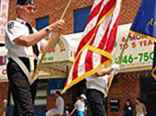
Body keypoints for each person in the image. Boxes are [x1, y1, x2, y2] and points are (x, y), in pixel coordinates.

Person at [5, 0, 65, 115]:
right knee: (27, 109)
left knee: (23, 107)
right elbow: (26, 41)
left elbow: (47, 48)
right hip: (19, 67)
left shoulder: (34, 30)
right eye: (29, 8)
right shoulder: (13, 25)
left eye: (34, 9)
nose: (32, 11)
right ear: (18, 8)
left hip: (33, 70)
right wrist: (50, 28)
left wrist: (57, 33)